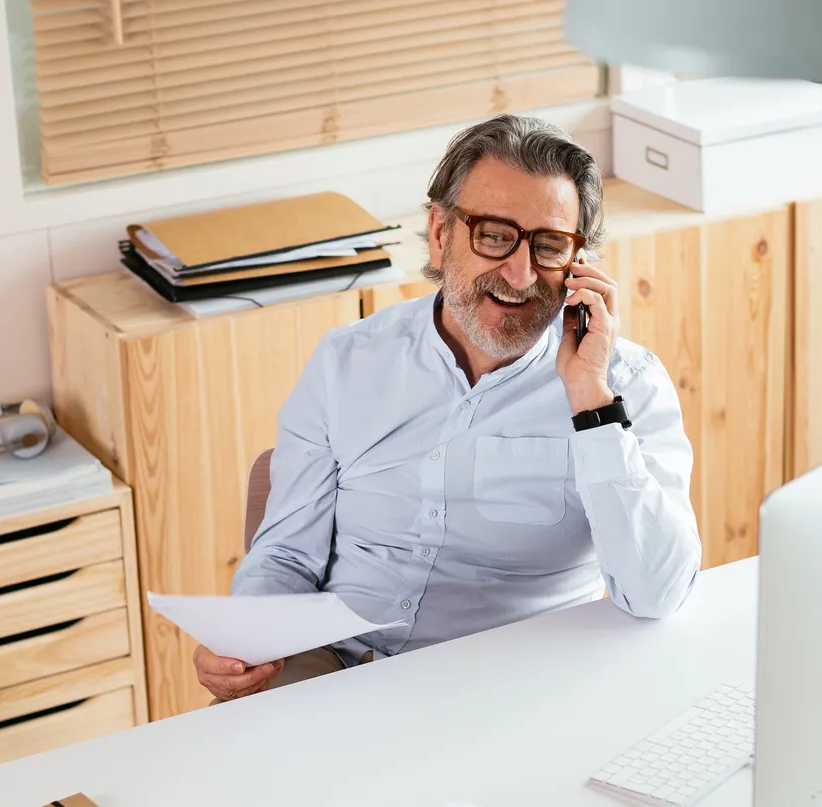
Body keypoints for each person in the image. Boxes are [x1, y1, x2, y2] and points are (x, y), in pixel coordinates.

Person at [193, 114, 702, 702]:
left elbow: (657, 594)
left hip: (515, 691)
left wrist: (589, 398)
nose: (520, 273)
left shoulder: (625, 385)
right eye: (492, 235)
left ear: (577, 263)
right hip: (339, 670)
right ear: (440, 233)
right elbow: (284, 554)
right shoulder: (346, 363)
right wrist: (243, 636)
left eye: (549, 246)